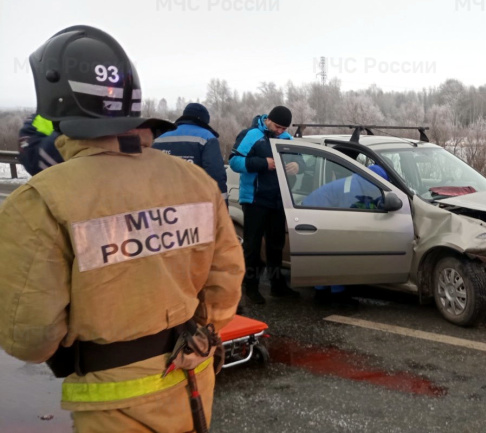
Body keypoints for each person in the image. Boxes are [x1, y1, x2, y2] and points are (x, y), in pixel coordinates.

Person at [0, 25, 244, 432]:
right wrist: (198, 333)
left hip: (113, 401)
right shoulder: (194, 181)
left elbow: (29, 336)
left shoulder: (42, 199)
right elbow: (226, 282)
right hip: (192, 379)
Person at [229, 106, 304, 303]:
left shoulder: (287, 139)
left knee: (276, 246)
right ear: (268, 120)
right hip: (254, 199)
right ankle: (251, 289)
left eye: (284, 128)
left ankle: (278, 286)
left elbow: (302, 162)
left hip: (279, 200)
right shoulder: (251, 134)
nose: (280, 131)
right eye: (278, 127)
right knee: (252, 246)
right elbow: (235, 161)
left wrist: (298, 166)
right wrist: (264, 163)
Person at [302, 163, 392, 306]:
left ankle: (322, 293)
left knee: (327, 256)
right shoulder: (351, 189)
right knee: (336, 254)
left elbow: (365, 203)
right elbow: (350, 213)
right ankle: (337, 294)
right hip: (313, 218)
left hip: (315, 215)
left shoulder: (358, 183)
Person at [153, 102, 227, 199]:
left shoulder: (159, 139)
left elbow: (152, 173)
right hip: (194, 203)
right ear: (204, 120)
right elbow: (215, 174)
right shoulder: (207, 138)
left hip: (164, 203)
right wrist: (222, 205)